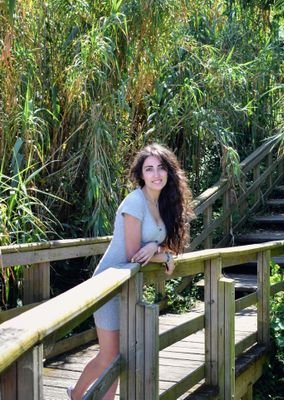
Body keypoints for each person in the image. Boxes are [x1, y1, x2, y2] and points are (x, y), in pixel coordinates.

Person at [67, 143, 194, 400]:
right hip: (109, 285)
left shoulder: (164, 204)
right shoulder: (135, 202)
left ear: (169, 172)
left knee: (113, 355)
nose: (156, 174)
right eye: (149, 169)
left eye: (161, 168)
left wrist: (159, 249)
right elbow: (134, 255)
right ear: (141, 175)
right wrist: (159, 252)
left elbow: (165, 245)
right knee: (111, 355)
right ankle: (79, 395)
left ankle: (76, 395)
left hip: (129, 287)